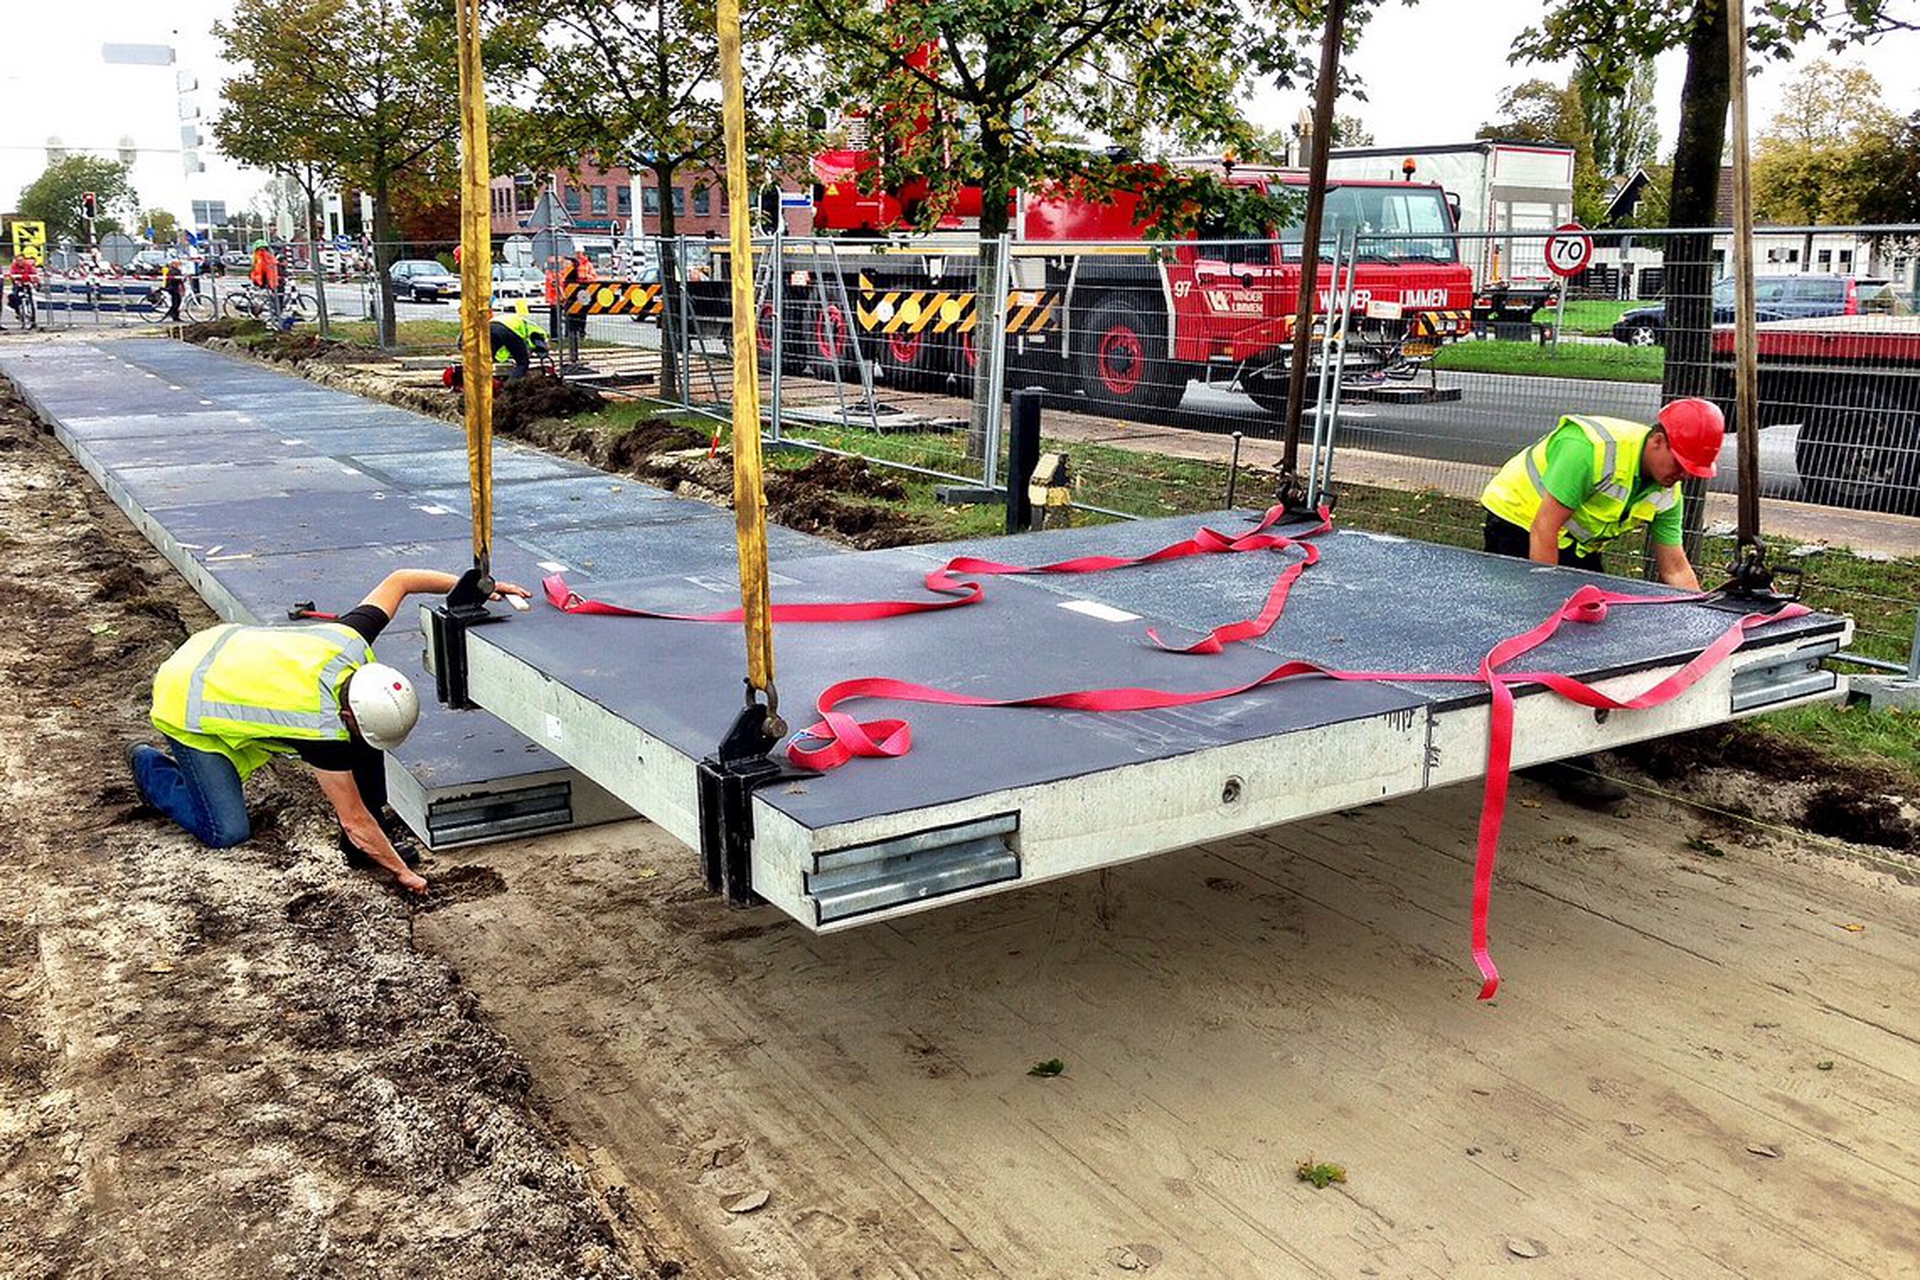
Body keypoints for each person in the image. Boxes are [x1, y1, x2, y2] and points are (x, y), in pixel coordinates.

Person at [127, 569, 531, 893]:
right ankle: (150, 767)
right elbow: (353, 818)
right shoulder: (318, 727)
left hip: (226, 650)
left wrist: (475, 585)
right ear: (348, 716)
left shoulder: (353, 642)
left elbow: (402, 580)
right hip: (187, 692)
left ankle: (361, 853)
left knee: (366, 755)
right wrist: (402, 873)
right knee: (227, 830)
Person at [1481, 398, 1727, 806]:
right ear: (1659, 442)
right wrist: (1546, 608)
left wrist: (1706, 625)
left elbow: (1675, 569)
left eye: (1692, 471)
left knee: (1584, 636)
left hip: (1574, 541)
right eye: (1681, 464)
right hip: (1518, 521)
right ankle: (1548, 756)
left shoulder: (1668, 491)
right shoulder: (1591, 450)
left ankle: (1568, 739)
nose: (1683, 476)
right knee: (1536, 635)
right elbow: (1544, 528)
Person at [489, 301, 550, 380]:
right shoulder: (539, 333)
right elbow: (539, 347)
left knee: (488, 360)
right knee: (522, 363)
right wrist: (543, 353)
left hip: (491, 326)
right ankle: (510, 387)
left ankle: (484, 386)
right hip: (509, 329)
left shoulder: (526, 323)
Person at [249, 239, 282, 323]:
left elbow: (259, 269)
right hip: (268, 281)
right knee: (267, 299)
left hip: (263, 281)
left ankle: (267, 318)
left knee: (264, 299)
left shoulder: (260, 255)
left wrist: (255, 278)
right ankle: (270, 318)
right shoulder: (266, 255)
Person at [4, 254, 39, 329]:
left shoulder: (28, 265)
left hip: (27, 283)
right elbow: (11, 274)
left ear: (24, 260)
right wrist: (14, 278)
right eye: (18, 260)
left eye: (21, 260)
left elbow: (34, 274)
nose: (20, 262)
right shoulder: (14, 266)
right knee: (14, 296)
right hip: (18, 284)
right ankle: (18, 311)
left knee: (30, 300)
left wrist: (35, 281)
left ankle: (33, 320)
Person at [161, 254, 186, 321]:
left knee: (177, 301)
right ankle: (172, 314)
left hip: (174, 288)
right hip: (172, 288)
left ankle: (174, 315)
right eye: (178, 264)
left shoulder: (175, 270)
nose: (179, 266)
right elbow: (175, 279)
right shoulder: (173, 270)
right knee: (176, 302)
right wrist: (181, 278)